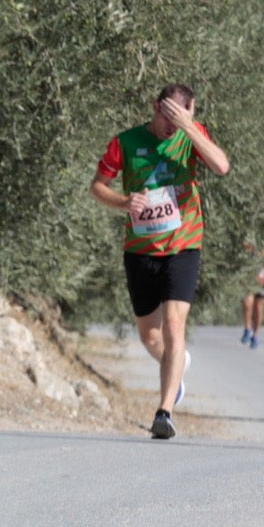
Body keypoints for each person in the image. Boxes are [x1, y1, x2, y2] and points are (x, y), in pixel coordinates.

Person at [90, 82, 231, 439]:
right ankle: (176, 366)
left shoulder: (190, 135)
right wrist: (123, 202)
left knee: (173, 324)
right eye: (164, 114)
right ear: (153, 107)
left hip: (184, 244)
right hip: (140, 248)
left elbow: (221, 166)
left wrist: (188, 127)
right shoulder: (126, 142)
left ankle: (164, 411)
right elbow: (97, 186)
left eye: (178, 115)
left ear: (190, 110)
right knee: (150, 336)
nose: (169, 123)